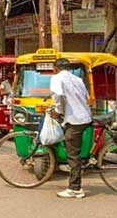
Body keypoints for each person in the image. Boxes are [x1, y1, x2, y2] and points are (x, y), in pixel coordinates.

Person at [50, 58, 92, 199]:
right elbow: (86, 96)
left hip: (75, 119)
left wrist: (58, 110)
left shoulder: (57, 78)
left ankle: (75, 188)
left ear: (55, 68)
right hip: (84, 116)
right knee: (72, 146)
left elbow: (58, 95)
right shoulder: (77, 79)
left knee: (73, 154)